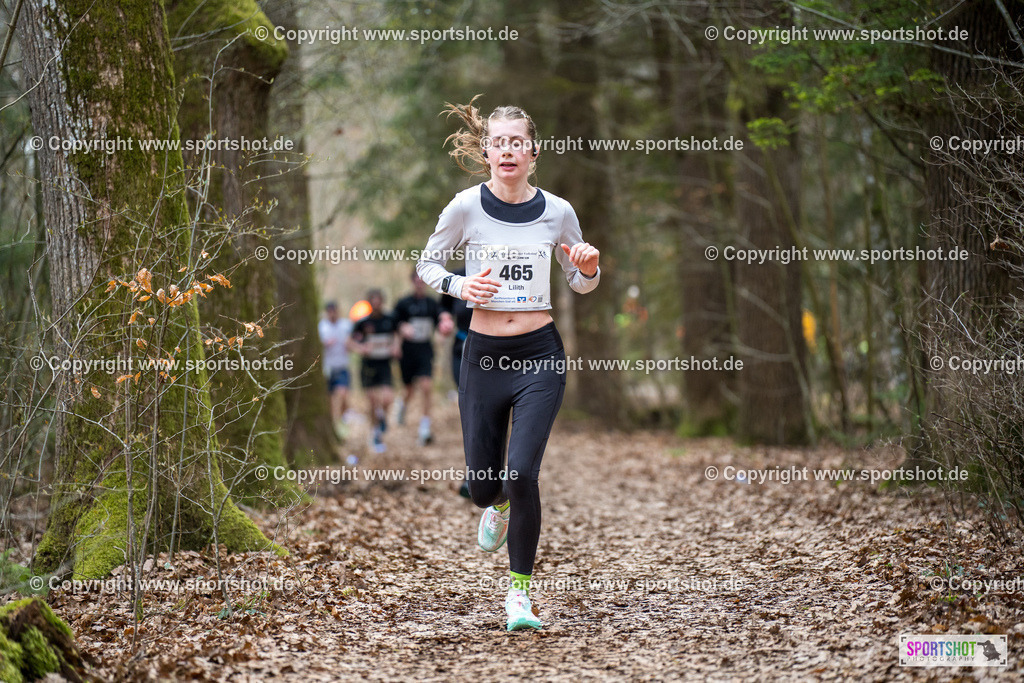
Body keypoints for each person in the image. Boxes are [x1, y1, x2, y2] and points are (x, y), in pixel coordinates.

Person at [416, 97, 600, 631]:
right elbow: (427, 262)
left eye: (518, 141)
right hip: (483, 356)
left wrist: (588, 270)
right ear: (487, 151)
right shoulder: (464, 207)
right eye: (499, 142)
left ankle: (519, 596)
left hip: (539, 354)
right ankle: (493, 504)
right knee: (482, 488)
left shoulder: (558, 211)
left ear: (533, 153)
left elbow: (580, 281)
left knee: (523, 474)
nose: (508, 150)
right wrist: (459, 284)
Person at [393, 270, 454, 445]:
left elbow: (439, 327)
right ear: (412, 281)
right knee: (409, 389)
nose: (420, 284)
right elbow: (394, 323)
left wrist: (443, 335)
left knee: (426, 386)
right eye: (417, 280)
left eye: (422, 281)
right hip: (407, 351)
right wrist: (401, 330)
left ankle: (425, 427)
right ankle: (402, 405)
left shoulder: (431, 304)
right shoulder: (403, 303)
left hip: (425, 350)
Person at [347, 289, 400, 454]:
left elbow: (397, 335)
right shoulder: (363, 323)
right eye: (373, 302)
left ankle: (382, 418)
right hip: (368, 366)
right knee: (372, 402)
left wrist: (396, 346)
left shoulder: (389, 319)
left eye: (379, 302)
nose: (376, 305)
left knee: (387, 398)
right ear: (369, 303)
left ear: (382, 302)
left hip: (384, 365)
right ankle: (375, 433)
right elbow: (349, 342)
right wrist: (361, 348)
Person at [440, 267, 474, 499]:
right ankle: (474, 475)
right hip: (461, 349)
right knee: (470, 409)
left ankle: (498, 473)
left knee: (495, 412)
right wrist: (444, 319)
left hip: (496, 352)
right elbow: (442, 305)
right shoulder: (457, 275)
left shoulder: (500, 269)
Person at [318, 301, 353, 440]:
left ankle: (343, 418)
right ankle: (334, 423)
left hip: (342, 366)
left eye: (335, 311)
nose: (333, 313)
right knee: (330, 399)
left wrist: (350, 345)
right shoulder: (322, 327)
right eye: (330, 311)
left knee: (343, 394)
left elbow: (353, 341)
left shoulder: (346, 325)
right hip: (327, 367)